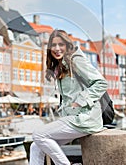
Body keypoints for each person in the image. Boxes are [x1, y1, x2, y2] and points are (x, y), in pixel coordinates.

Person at [29, 29, 108, 165]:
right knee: (35, 146)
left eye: (61, 45)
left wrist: (80, 101)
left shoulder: (76, 60)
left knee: (38, 134)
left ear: (67, 45)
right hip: (74, 119)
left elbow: (101, 83)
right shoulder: (61, 66)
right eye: (53, 45)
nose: (57, 49)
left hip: (85, 118)